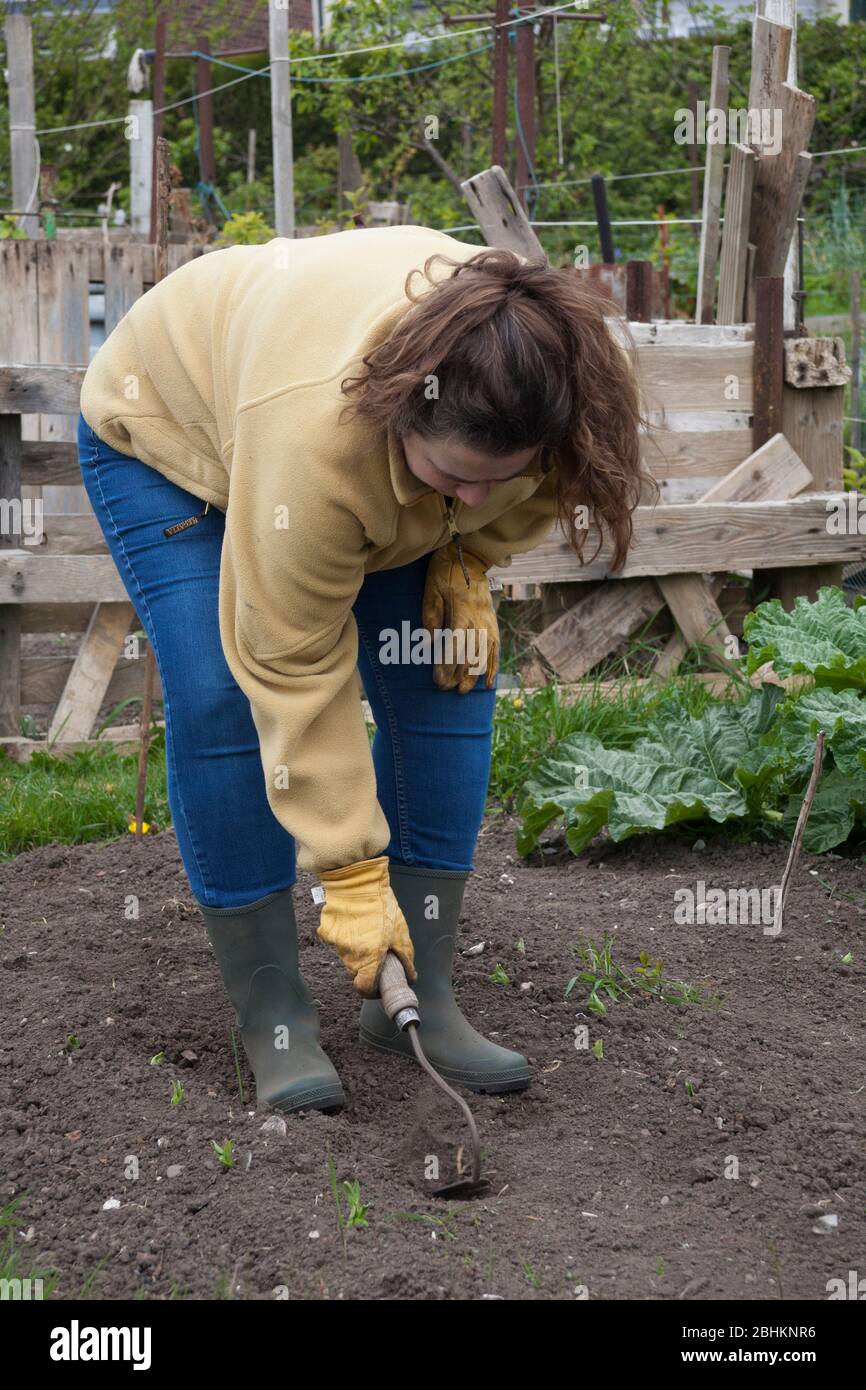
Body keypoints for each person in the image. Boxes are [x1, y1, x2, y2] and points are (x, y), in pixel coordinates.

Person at [77, 224, 643, 1115]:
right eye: (454, 477)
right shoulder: (319, 439)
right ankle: (275, 1019)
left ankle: (423, 997)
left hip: (352, 453)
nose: (477, 496)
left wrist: (465, 549)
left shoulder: (558, 391)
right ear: (402, 411)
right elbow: (297, 663)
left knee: (447, 675)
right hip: (173, 427)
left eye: (501, 479)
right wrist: (348, 871)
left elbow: (501, 492)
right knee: (223, 697)